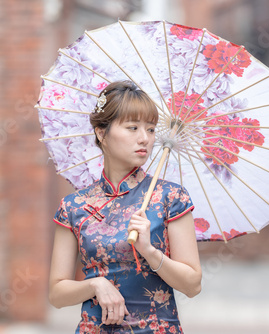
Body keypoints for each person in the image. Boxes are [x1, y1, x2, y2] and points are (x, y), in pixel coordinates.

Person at [49, 80, 202, 333]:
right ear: (101, 133)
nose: (145, 138)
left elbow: (192, 285)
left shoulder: (170, 197)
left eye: (151, 130)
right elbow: (56, 293)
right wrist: (95, 284)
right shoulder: (74, 206)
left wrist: (149, 250)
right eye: (133, 128)